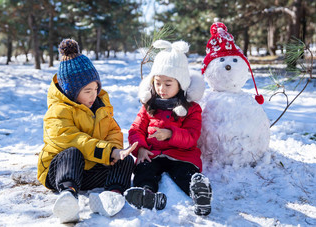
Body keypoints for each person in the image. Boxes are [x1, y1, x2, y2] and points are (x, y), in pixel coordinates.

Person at [37, 39, 137, 223]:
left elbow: (113, 131)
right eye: (87, 90)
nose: (94, 94)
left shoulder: (99, 105)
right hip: (60, 171)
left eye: (96, 88)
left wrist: (115, 152)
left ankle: (111, 196)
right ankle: (68, 198)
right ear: (71, 91)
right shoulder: (58, 111)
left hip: (89, 171)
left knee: (125, 159)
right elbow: (75, 140)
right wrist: (107, 151)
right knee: (72, 152)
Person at [124, 40, 212, 216]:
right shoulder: (149, 105)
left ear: (180, 84)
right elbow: (136, 130)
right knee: (144, 170)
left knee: (184, 172)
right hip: (152, 154)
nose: (161, 88)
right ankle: (147, 194)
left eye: (168, 83)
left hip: (181, 155)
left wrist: (171, 134)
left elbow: (192, 136)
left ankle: (199, 192)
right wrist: (140, 148)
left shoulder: (191, 108)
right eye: (157, 83)